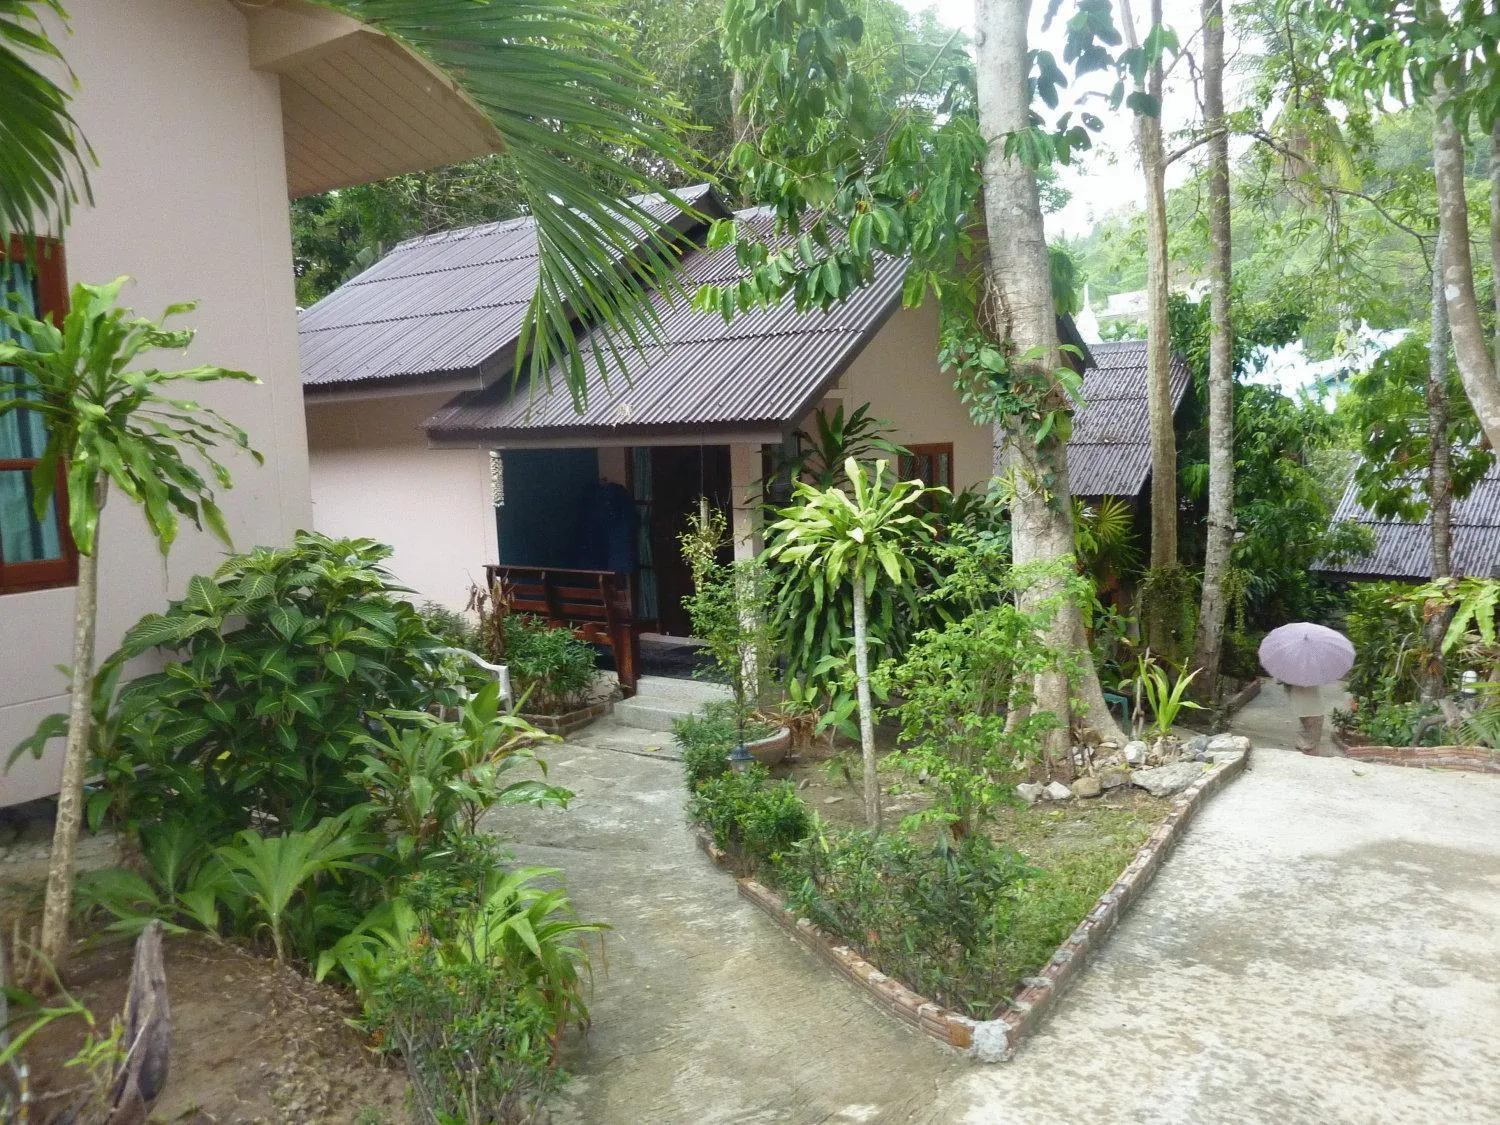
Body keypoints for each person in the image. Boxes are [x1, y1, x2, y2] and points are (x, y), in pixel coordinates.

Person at [1285, 682, 1323, 753]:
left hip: (1299, 690)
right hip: (1305, 693)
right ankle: (1308, 748)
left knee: (1306, 720)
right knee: (1311, 718)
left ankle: (1304, 746)